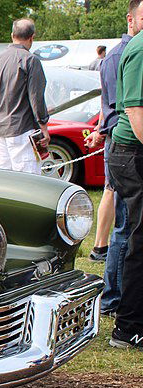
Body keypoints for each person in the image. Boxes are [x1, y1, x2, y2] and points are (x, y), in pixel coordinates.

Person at [85, 4, 137, 316]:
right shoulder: (121, 55)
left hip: (119, 143)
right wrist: (103, 135)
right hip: (124, 146)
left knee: (122, 217)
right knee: (124, 223)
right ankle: (112, 296)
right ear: (130, 19)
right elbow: (123, 111)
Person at [107, 0, 143, 349]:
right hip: (132, 153)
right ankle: (128, 327)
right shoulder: (142, 46)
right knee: (138, 239)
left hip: (129, 152)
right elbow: (135, 110)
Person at [0, 19, 49, 174]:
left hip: (1, 126)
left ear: (12, 35)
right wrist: (43, 126)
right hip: (23, 128)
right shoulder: (30, 60)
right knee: (27, 180)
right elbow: (36, 97)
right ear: (32, 37)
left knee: (4, 179)